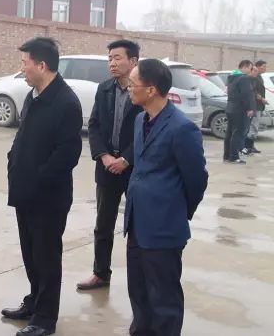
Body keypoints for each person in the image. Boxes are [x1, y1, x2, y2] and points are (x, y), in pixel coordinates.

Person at [1, 37, 83, 336]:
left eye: (25, 63)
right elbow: (23, 137)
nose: (22, 68)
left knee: (47, 258)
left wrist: (38, 179)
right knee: (30, 254)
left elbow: (68, 154)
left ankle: (45, 319)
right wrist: (13, 161)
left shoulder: (66, 102)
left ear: (42, 65)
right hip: (25, 192)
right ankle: (34, 303)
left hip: (48, 197)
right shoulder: (32, 96)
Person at [125, 59, 208, 336]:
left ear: (151, 90)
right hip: (137, 223)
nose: (129, 88)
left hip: (164, 227)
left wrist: (176, 211)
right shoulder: (140, 119)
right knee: (138, 291)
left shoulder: (182, 128)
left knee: (164, 299)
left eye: (133, 84)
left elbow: (196, 179)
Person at [77, 40, 143, 291]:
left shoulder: (142, 91)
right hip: (106, 167)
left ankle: (139, 278)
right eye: (109, 59)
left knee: (137, 225)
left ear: (133, 61)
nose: (112, 63)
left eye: (117, 58)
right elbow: (94, 125)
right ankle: (100, 273)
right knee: (103, 224)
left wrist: (126, 159)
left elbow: (146, 132)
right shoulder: (104, 89)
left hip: (133, 169)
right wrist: (103, 155)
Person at [223, 60, 257, 164]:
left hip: (230, 108)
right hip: (240, 109)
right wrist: (250, 108)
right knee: (238, 133)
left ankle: (227, 156)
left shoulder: (231, 77)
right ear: (245, 67)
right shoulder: (243, 78)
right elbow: (246, 94)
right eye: (250, 68)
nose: (251, 71)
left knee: (230, 133)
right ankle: (233, 157)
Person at [244, 60, 268, 154]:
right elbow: (253, 91)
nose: (265, 68)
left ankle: (251, 146)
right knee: (253, 127)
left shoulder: (259, 77)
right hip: (255, 105)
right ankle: (247, 147)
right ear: (257, 66)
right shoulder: (253, 77)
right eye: (263, 66)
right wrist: (261, 99)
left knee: (254, 127)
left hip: (259, 105)